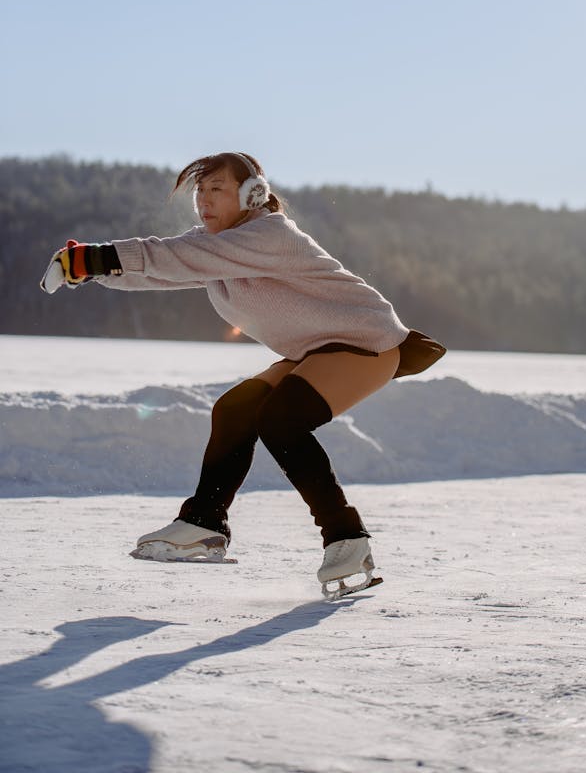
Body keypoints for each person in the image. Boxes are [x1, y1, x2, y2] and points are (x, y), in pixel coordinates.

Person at [41, 152, 445, 596]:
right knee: (235, 410)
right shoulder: (217, 245)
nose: (204, 201)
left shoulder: (268, 235)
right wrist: (93, 271)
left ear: (253, 194)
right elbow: (167, 269)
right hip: (315, 350)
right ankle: (203, 523)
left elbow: (173, 257)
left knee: (281, 419)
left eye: (217, 189)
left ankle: (346, 539)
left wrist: (95, 259)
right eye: (200, 191)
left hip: (367, 343)